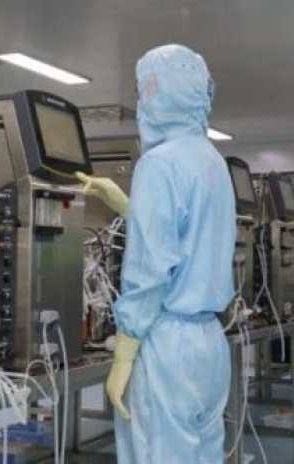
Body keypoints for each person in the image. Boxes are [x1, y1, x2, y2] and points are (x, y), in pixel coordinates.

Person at [77, 44, 236, 463]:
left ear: (156, 91)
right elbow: (188, 237)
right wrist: (129, 206)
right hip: (210, 342)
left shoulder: (158, 164)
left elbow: (151, 271)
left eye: (143, 89)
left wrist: (125, 349)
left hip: (168, 346)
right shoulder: (213, 162)